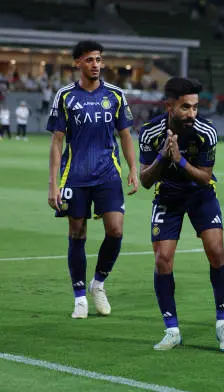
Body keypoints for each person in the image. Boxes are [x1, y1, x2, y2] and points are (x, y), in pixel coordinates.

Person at [138, 77, 224, 352]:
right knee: (162, 259)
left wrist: (179, 160)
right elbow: (145, 180)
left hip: (200, 195)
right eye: (185, 107)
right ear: (169, 106)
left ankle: (223, 324)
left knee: (216, 252)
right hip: (168, 196)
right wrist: (162, 157)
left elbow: (205, 178)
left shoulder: (207, 131)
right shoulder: (149, 132)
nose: (192, 113)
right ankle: (172, 330)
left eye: (195, 107)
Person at [47, 40, 139, 319]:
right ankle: (79, 298)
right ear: (77, 63)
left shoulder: (116, 95)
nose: (96, 65)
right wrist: (53, 185)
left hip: (108, 174)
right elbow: (56, 143)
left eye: (98, 59)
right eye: (89, 60)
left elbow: (125, 135)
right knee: (77, 233)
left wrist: (133, 169)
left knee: (116, 230)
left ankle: (97, 283)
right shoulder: (64, 96)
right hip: (74, 175)